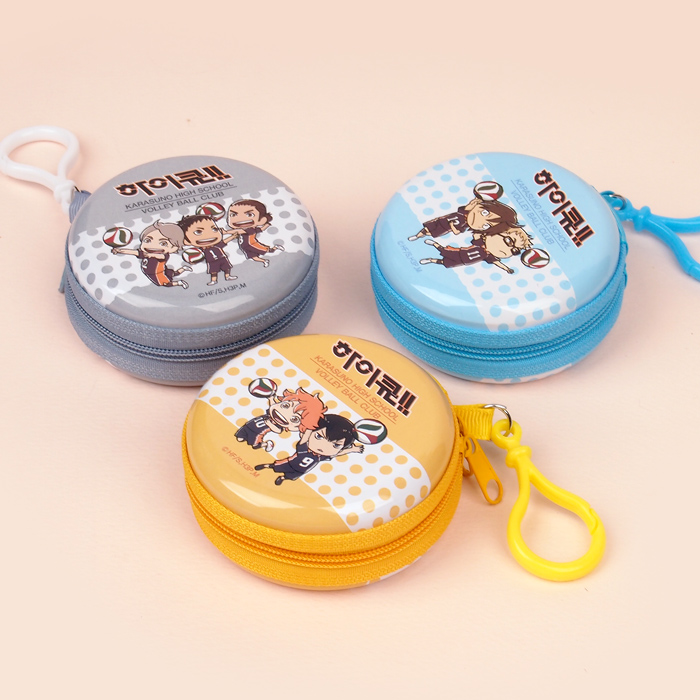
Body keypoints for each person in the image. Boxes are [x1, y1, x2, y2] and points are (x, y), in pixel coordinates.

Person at [255, 414, 364, 485]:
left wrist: (352, 450)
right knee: (277, 465)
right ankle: (266, 466)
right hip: (290, 463)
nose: (323, 445)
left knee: (290, 476)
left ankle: (282, 479)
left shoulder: (321, 457)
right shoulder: (303, 448)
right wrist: (310, 424)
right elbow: (306, 435)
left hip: (301, 470)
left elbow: (338, 453)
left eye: (335, 445)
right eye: (319, 436)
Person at [236, 387, 326, 453]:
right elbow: (273, 405)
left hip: (257, 433)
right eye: (285, 405)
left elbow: (278, 430)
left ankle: (267, 444)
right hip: (248, 426)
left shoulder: (277, 425)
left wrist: (270, 424)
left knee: (255, 445)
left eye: (295, 419)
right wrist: (271, 398)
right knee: (239, 438)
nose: (284, 413)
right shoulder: (270, 413)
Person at [420, 227, 533, 275]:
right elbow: (477, 233)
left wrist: (507, 269)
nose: (507, 250)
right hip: (459, 253)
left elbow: (497, 263)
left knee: (444, 262)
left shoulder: (489, 256)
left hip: (463, 261)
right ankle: (434, 244)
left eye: (515, 251)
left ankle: (430, 260)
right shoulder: (480, 243)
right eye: (508, 241)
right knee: (444, 251)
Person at [111, 221, 190, 289]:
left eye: (163, 243)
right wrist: (119, 251)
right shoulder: (145, 253)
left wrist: (150, 255)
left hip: (157, 273)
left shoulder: (163, 255)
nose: (153, 245)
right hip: (155, 271)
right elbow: (133, 252)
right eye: (147, 240)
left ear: (174, 248)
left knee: (165, 283)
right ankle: (184, 268)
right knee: (172, 273)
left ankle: (179, 283)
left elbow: (160, 256)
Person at [179, 214, 238, 285]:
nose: (209, 234)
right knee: (213, 271)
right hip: (211, 261)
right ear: (186, 241)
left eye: (214, 229)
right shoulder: (200, 250)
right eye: (198, 232)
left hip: (222, 258)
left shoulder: (216, 245)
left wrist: (232, 237)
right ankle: (214, 280)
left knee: (227, 268)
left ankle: (227, 276)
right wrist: (193, 261)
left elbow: (224, 241)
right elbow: (196, 256)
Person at [224, 199, 283, 267]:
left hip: (252, 244)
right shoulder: (243, 229)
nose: (240, 218)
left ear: (261, 220)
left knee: (268, 250)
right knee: (253, 257)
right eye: (233, 215)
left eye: (249, 214)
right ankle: (265, 261)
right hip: (244, 247)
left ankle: (275, 247)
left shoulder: (250, 229)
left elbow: (240, 231)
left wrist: (226, 232)